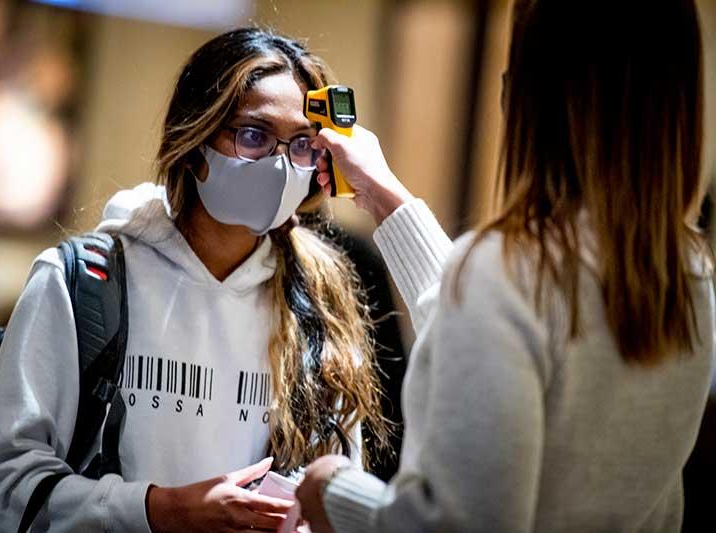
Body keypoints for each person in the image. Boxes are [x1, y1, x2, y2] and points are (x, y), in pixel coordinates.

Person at [0, 28, 449, 532]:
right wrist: (162, 510)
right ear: (195, 144)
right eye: (254, 136)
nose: (280, 165)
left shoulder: (322, 301)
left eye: (302, 144)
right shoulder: (85, 282)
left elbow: (334, 489)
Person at [296, 1, 714, 531]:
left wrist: (335, 489)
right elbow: (487, 330)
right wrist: (383, 197)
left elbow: (458, 522)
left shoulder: (506, 273)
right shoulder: (688, 274)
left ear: (531, 96)